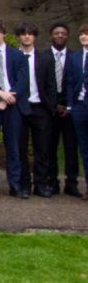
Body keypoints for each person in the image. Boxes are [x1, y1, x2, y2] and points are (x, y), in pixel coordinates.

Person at [0, 20, 29, 198]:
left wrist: (9, 97)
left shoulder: (17, 55)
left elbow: (23, 81)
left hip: (13, 105)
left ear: (4, 34)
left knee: (13, 146)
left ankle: (15, 185)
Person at [16, 22, 57, 198]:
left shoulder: (45, 58)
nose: (27, 37)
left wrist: (51, 106)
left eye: (30, 34)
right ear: (18, 36)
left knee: (42, 149)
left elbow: (51, 85)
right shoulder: (12, 56)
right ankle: (24, 184)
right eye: (24, 34)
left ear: (34, 37)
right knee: (20, 149)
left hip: (40, 107)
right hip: (18, 107)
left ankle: (40, 184)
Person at [45, 22, 79, 197]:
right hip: (50, 110)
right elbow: (41, 84)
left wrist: (68, 105)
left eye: (63, 33)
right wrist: (54, 105)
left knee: (71, 149)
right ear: (51, 35)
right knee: (50, 147)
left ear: (67, 36)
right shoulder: (43, 57)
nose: (60, 36)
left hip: (70, 109)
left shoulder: (75, 57)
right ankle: (52, 182)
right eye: (56, 33)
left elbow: (77, 82)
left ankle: (71, 183)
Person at [65, 23, 88, 201]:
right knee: (84, 149)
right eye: (81, 34)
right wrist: (71, 105)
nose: (83, 37)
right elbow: (70, 81)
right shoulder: (75, 57)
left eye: (87, 34)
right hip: (79, 107)